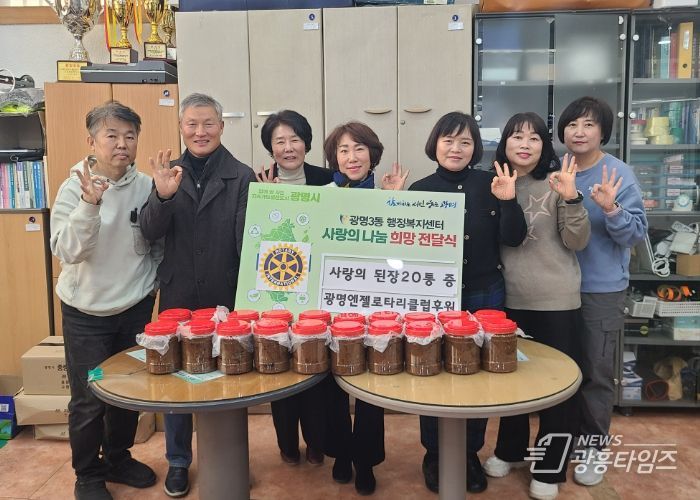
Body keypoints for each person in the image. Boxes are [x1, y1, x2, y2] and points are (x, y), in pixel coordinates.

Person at [139, 93, 256, 498]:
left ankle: (230, 456)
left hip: (226, 293)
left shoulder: (242, 175)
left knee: (229, 374)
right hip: (179, 295)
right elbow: (149, 232)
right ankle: (177, 461)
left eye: (208, 123)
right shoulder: (166, 173)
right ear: (181, 127)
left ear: (221, 127)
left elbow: (248, 242)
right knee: (176, 379)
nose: (200, 131)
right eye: (192, 124)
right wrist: (163, 196)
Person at [408, 111, 527, 494]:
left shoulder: (491, 184)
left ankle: (470, 452)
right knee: (432, 371)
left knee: (477, 375)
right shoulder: (419, 191)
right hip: (434, 298)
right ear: (435, 145)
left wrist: (509, 201)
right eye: (448, 140)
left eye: (465, 141)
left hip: (483, 294)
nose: (456, 148)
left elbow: (514, 238)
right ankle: (434, 454)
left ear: (475, 148)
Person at [50, 101, 161, 500]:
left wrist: (150, 285)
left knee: (127, 391)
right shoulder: (74, 188)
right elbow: (68, 251)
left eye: (130, 136)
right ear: (92, 142)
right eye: (111, 135)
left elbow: (156, 241)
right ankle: (88, 476)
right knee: (88, 399)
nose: (121, 144)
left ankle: (118, 458)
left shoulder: (146, 186)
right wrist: (90, 204)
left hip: (134, 306)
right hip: (86, 312)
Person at [481, 112, 590, 500]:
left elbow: (577, 241)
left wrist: (572, 198)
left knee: (559, 388)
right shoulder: (492, 182)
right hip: (509, 299)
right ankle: (510, 450)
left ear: (545, 146)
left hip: (557, 299)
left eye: (534, 138)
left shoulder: (558, 181)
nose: (525, 144)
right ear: (505, 144)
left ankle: (549, 466)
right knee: (513, 382)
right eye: (517, 137)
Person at [557, 96, 647, 487]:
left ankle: (593, 446)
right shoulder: (555, 168)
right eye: (572, 124)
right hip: (556, 289)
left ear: (603, 132)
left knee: (596, 371)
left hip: (601, 289)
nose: (579, 132)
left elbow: (636, 234)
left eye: (589, 124)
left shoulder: (618, 173)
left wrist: (611, 209)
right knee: (558, 370)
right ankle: (559, 442)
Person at [321, 121, 407, 496]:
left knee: (372, 385)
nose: (352, 157)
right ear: (334, 158)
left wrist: (394, 202)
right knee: (333, 385)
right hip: (333, 306)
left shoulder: (389, 194)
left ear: (373, 154)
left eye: (359, 148)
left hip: (376, 308)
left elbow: (402, 253)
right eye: (343, 150)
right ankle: (341, 453)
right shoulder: (324, 195)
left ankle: (366, 461)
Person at [257, 110, 332, 466]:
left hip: (319, 291)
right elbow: (255, 237)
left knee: (315, 366)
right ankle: (287, 444)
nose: (288, 148)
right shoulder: (259, 183)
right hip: (277, 289)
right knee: (280, 367)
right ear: (270, 148)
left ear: (306, 143)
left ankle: (317, 442)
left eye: (295, 139)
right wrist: (269, 202)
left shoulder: (326, 179)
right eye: (280, 141)